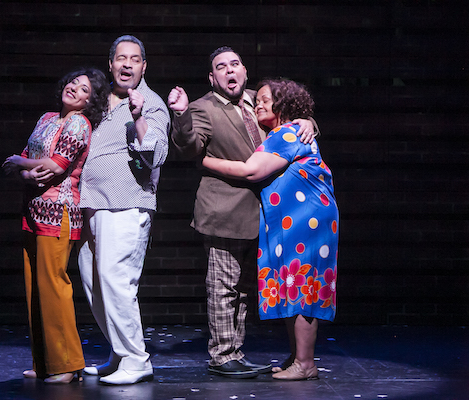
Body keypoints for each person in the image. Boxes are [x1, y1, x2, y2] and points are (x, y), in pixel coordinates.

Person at [168, 46, 317, 379]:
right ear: (212, 77)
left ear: (245, 70)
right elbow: (186, 147)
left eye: (235, 64)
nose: (229, 70)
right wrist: (180, 116)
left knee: (247, 289)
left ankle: (235, 351)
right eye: (221, 66)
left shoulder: (260, 99)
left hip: (265, 215)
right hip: (225, 211)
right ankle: (222, 355)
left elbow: (294, 117)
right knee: (223, 287)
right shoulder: (202, 108)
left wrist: (307, 120)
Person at [201, 78, 339, 381]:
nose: (258, 104)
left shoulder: (288, 133)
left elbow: (251, 170)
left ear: (284, 105)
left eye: (265, 100)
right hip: (296, 219)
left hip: (306, 218)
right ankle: (298, 358)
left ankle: (305, 363)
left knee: (303, 289)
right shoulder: (287, 130)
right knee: (294, 286)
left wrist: (204, 160)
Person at [2, 68, 109, 384]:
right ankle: (45, 362)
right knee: (34, 288)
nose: (75, 89)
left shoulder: (79, 123)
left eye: (84, 90)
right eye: (73, 83)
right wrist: (25, 171)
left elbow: (56, 165)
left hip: (59, 211)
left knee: (53, 286)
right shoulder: (47, 118)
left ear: (90, 102)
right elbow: (28, 156)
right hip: (33, 209)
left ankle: (67, 364)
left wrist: (21, 165)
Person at [78, 35, 170, 385]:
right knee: (94, 283)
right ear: (111, 63)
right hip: (93, 205)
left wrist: (139, 117)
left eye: (134, 59)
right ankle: (119, 352)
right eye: (120, 58)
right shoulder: (102, 102)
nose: (127, 64)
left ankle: (136, 358)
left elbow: (155, 153)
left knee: (116, 281)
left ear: (144, 66)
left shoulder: (150, 104)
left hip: (127, 203)